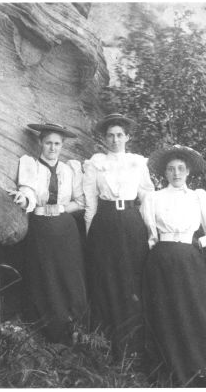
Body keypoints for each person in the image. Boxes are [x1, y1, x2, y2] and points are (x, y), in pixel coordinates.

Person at [140, 144, 206, 387]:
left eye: (181, 168)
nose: (176, 173)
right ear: (164, 173)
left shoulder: (198, 197)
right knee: (163, 314)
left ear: (188, 171)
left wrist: (200, 242)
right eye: (170, 169)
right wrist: (159, 252)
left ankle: (197, 373)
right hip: (160, 260)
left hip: (189, 259)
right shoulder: (153, 198)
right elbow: (149, 235)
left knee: (194, 314)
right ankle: (166, 373)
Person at [82, 113, 154, 361]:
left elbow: (147, 198)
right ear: (104, 138)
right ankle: (105, 345)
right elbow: (90, 202)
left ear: (128, 137)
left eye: (119, 135)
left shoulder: (137, 163)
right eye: (110, 135)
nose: (115, 140)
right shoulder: (95, 163)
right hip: (105, 224)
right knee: (106, 279)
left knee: (131, 279)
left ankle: (133, 346)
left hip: (132, 224)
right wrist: (91, 234)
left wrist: (150, 233)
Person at [10, 122, 87, 345]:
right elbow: (28, 190)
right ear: (40, 143)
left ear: (62, 146)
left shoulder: (69, 169)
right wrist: (24, 199)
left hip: (65, 229)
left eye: (57, 144)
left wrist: (62, 209)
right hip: (41, 227)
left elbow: (80, 201)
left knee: (67, 275)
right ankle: (45, 329)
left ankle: (72, 326)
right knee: (44, 275)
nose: (52, 148)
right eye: (48, 143)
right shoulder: (30, 164)